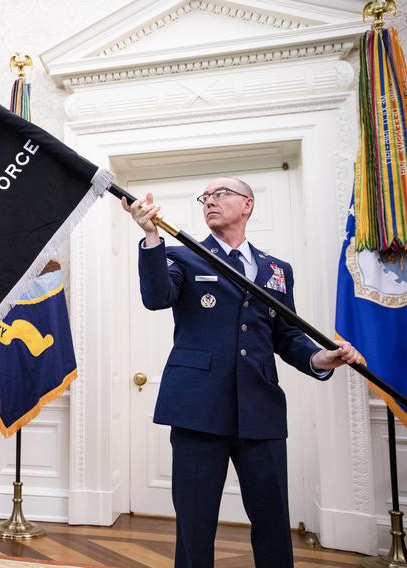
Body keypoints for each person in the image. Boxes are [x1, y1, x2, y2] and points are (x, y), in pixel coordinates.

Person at [121, 177, 361, 568]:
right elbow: (156, 297)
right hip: (197, 410)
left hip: (260, 410)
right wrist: (150, 236)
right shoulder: (185, 256)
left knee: (272, 519)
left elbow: (285, 334)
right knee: (195, 524)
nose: (209, 201)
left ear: (247, 205)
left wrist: (318, 359)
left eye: (220, 194)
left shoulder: (277, 270)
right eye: (205, 197)